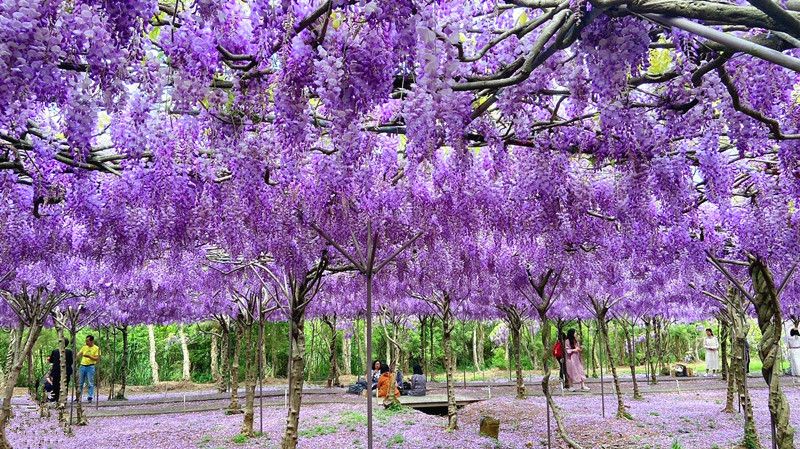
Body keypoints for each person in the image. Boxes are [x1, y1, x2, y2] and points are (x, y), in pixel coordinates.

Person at [77, 335, 101, 403]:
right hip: (82, 366)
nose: (86, 342)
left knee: (90, 382)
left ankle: (90, 396)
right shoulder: (84, 347)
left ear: (92, 341)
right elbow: (78, 355)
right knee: (80, 382)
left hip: (90, 366)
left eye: (88, 341)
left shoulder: (96, 348)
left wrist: (89, 356)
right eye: (86, 341)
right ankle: (79, 397)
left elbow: (97, 358)